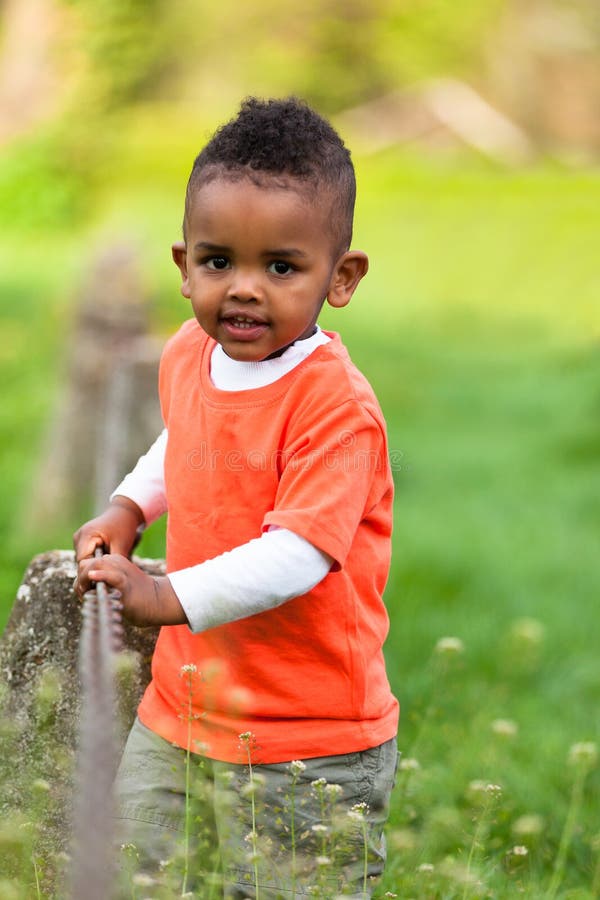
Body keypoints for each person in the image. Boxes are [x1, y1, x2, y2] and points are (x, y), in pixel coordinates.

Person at [74, 96, 399, 898]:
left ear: (341, 276)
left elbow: (297, 557)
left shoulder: (335, 407)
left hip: (308, 733)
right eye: (220, 262)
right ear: (185, 265)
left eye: (281, 268)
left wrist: (162, 593)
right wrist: (129, 506)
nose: (244, 290)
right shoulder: (192, 352)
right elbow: (186, 440)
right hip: (182, 704)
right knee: (129, 873)